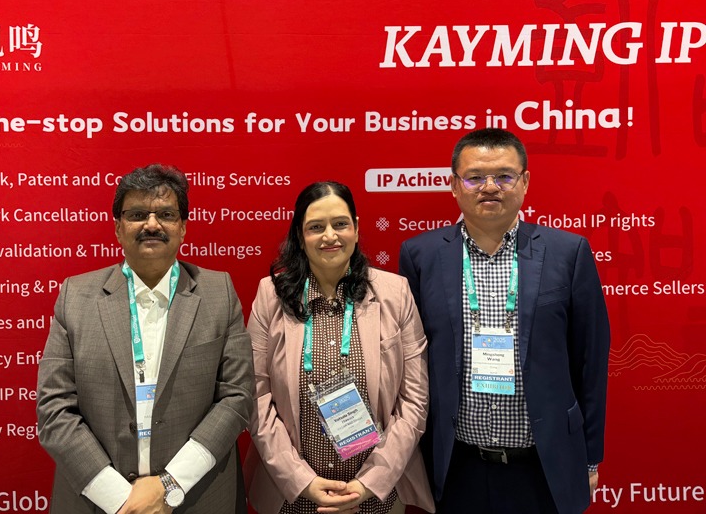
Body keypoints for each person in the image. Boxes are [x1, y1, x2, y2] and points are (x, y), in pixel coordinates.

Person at [399, 128, 610, 514]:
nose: (490, 187)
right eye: (475, 177)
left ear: (525, 182)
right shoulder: (420, 255)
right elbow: (410, 363)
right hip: (456, 465)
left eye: (504, 176)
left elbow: (590, 362)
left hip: (543, 466)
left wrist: (590, 458)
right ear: (454, 185)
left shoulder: (568, 252)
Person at [37, 164, 254, 514]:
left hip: (196, 498)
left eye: (166, 214)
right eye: (137, 214)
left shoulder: (219, 293)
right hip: (98, 503)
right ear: (118, 228)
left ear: (183, 227)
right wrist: (122, 501)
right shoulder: (75, 296)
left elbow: (237, 397)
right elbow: (54, 408)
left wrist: (168, 485)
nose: (152, 225)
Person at [243, 181, 435, 514]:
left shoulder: (396, 293)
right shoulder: (270, 297)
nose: (329, 236)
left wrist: (369, 483)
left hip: (378, 497)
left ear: (356, 229)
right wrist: (302, 481)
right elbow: (256, 399)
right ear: (300, 236)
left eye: (340, 224)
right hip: (293, 496)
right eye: (316, 227)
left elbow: (414, 402)